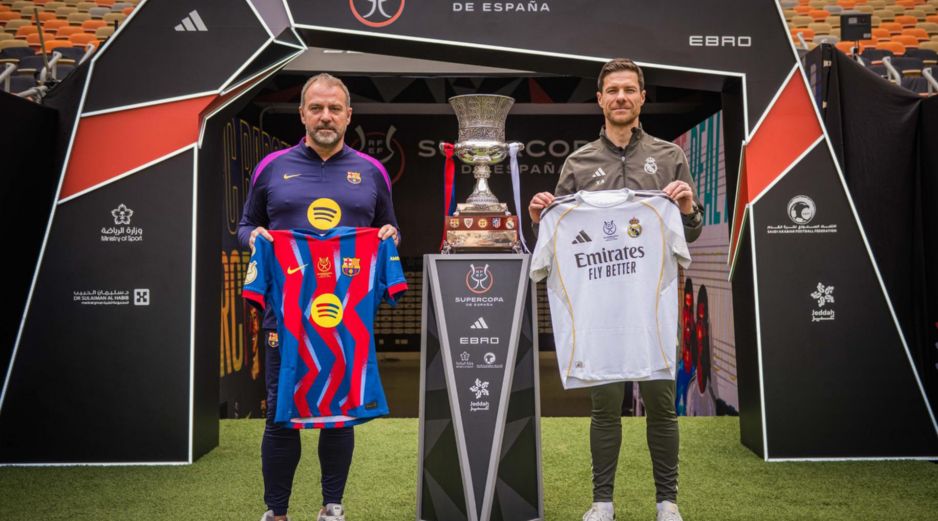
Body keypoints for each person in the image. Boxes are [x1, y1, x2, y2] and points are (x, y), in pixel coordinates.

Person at [528, 58, 703, 521]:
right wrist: (542, 213)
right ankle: (602, 501)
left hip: (653, 309)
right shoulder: (579, 162)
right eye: (613, 90)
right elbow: (558, 228)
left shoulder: (669, 157)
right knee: (604, 407)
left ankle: (667, 501)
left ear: (642, 97)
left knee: (662, 407)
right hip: (600, 314)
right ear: (600, 99)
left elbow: (693, 232)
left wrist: (686, 209)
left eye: (630, 89)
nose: (621, 97)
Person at [238, 73, 400, 521]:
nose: (325, 116)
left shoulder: (372, 171)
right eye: (316, 108)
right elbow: (244, 226)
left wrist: (390, 235)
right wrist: (259, 239)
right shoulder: (272, 167)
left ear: (349, 115)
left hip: (344, 317)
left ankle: (332, 507)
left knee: (339, 412)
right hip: (285, 317)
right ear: (302, 114)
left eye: (334, 108)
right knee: (280, 416)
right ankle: (277, 512)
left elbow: (390, 227)